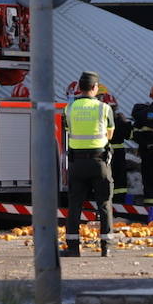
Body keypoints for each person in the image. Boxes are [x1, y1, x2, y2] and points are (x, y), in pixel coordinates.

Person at [61, 71, 115, 257]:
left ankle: (73, 247)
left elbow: (67, 129)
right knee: (104, 204)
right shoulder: (104, 108)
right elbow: (110, 135)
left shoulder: (69, 109)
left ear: (79, 88)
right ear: (95, 88)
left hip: (77, 164)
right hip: (99, 163)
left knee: (75, 205)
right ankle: (106, 248)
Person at [99, 86, 133, 203]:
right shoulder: (119, 121)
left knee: (106, 180)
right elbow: (130, 135)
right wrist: (126, 122)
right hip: (118, 155)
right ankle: (119, 204)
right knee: (119, 181)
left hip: (104, 155)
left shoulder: (99, 122)